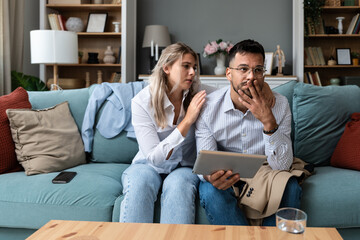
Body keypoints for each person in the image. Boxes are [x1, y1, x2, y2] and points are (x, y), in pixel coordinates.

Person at [195, 39, 302, 226]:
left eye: (258, 70)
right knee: (210, 190)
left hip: (266, 170)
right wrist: (209, 176)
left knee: (290, 186)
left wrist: (268, 122)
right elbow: (204, 159)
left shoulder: (281, 104)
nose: (251, 76)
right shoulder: (209, 108)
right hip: (228, 172)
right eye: (243, 69)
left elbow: (282, 166)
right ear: (229, 73)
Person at [120, 42, 206, 224]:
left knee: (178, 187)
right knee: (140, 183)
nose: (192, 72)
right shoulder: (142, 102)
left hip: (184, 167)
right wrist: (187, 120)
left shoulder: (198, 94)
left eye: (194, 67)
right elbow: (154, 158)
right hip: (148, 165)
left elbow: (228, 97)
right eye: (186, 66)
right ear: (166, 68)